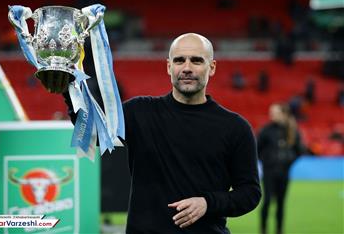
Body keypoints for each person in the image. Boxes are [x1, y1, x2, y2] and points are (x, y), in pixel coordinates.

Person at [59, 33, 261, 233]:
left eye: (197, 61)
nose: (187, 68)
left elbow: (250, 193)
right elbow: (93, 133)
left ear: (212, 67)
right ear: (169, 66)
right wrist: (69, 90)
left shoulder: (235, 127)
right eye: (179, 60)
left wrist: (208, 202)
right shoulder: (139, 112)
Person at [257, 103, 304, 234]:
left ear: (283, 114)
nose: (271, 115)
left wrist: (288, 161)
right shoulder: (266, 130)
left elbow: (300, 150)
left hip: (284, 173)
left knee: (281, 203)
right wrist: (267, 161)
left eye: (275, 112)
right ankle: (263, 230)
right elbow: (257, 148)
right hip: (269, 172)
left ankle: (279, 230)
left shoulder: (293, 130)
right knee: (266, 201)